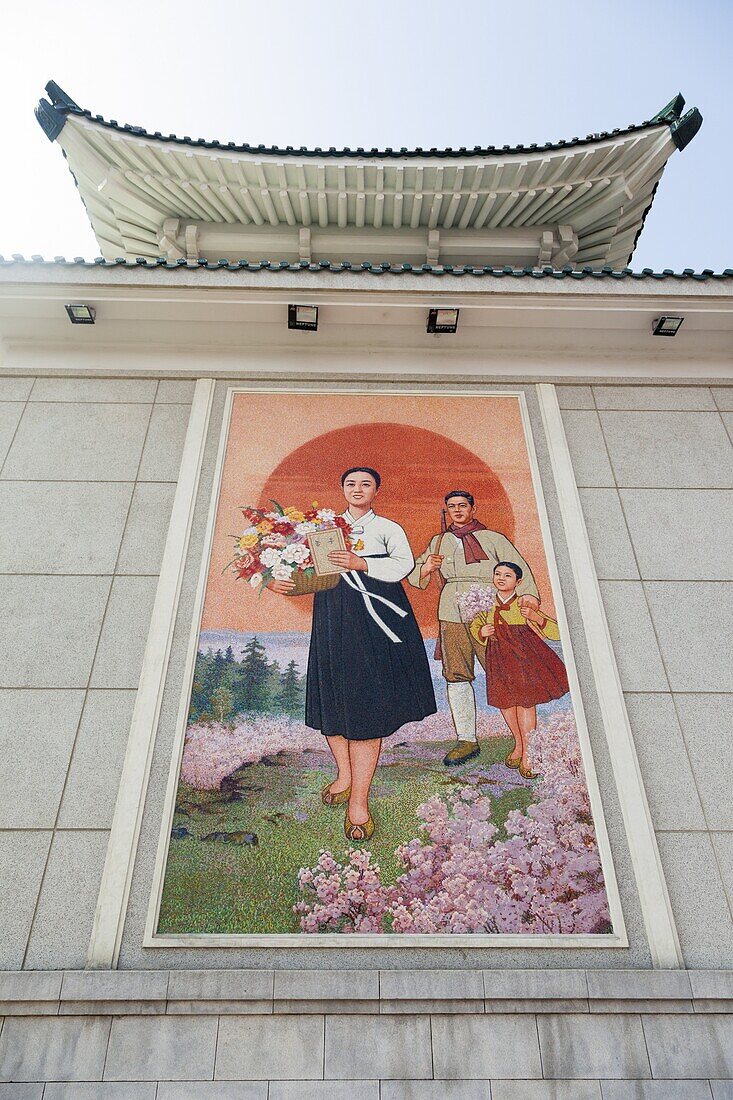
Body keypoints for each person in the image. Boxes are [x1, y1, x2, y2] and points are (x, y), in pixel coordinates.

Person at [268, 467, 436, 841]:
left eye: (365, 484)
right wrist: (283, 584)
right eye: (351, 484)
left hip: (377, 617)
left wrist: (362, 563)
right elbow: (312, 573)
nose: (358, 490)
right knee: (334, 697)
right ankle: (344, 774)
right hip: (334, 614)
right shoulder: (323, 528)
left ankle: (359, 801)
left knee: (366, 704)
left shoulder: (388, 528)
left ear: (376, 490)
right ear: (341, 489)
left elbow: (404, 564)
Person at [408, 490, 541, 767]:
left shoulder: (493, 539)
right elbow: (415, 576)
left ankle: (521, 742)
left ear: (472, 507)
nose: (457, 510)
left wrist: (529, 596)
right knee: (456, 674)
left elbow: (520, 569)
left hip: (488, 609)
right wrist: (427, 568)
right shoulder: (439, 541)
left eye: (462, 506)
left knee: (503, 669)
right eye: (452, 506)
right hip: (450, 610)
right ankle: (467, 738)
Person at [469, 561, 570, 778]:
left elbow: (556, 631)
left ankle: (529, 753)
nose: (501, 578)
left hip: (523, 658)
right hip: (498, 657)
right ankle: (518, 743)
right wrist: (482, 632)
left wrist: (536, 617)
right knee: (505, 702)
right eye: (498, 574)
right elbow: (475, 626)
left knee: (525, 702)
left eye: (507, 575)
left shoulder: (523, 603)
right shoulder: (486, 604)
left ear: (518, 581)